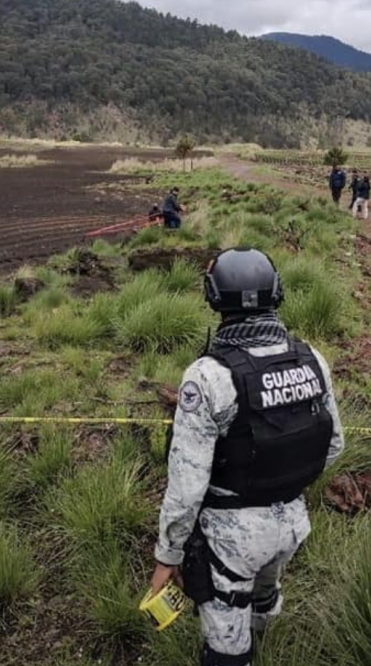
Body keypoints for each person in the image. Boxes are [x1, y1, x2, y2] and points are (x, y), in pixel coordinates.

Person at [150, 248, 345, 665]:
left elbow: (186, 486)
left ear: (213, 297)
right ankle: (267, 642)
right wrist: (284, 485)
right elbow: (334, 445)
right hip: (293, 523)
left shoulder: (206, 377)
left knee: (226, 648)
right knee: (263, 595)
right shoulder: (312, 359)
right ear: (277, 293)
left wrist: (167, 556)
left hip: (231, 536)